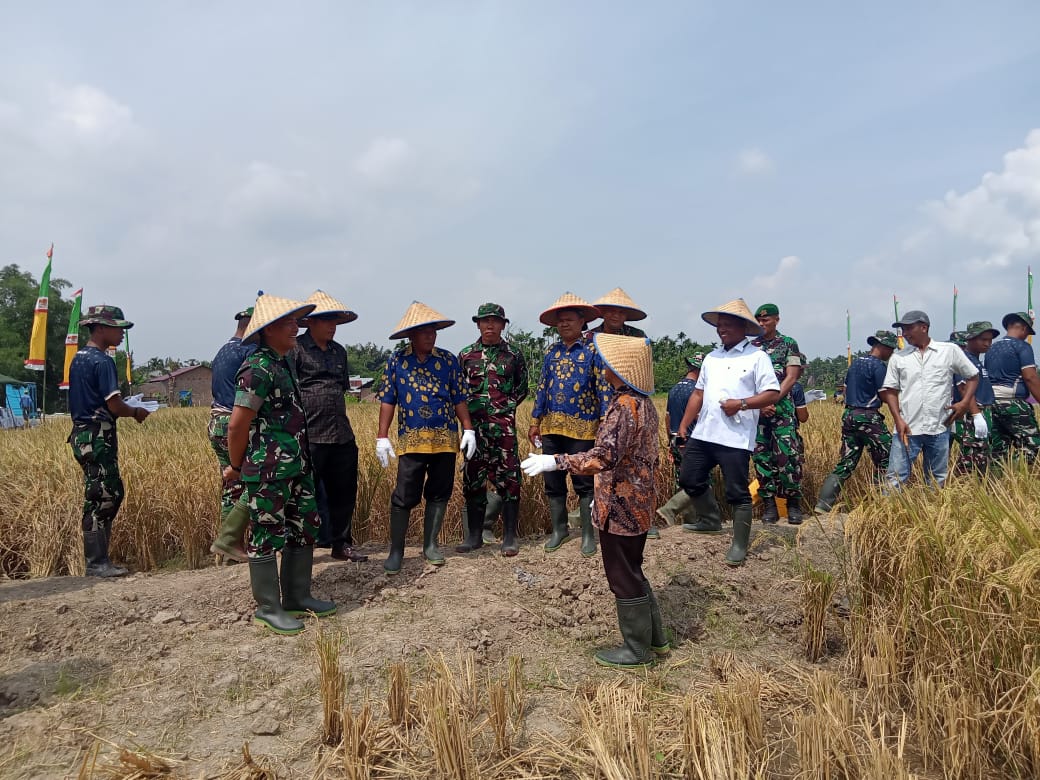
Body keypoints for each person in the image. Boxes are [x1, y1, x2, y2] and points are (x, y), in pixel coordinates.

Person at [522, 334, 664, 669]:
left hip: (621, 505)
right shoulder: (643, 402)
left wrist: (555, 461)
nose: (602, 367)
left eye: (608, 363)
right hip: (636, 500)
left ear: (620, 369)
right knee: (633, 569)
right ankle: (656, 640)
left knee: (621, 575)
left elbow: (603, 457)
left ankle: (637, 650)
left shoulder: (623, 407)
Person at [226, 293, 335, 635]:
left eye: (295, 322)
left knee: (304, 526)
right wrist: (237, 465)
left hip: (296, 466)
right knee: (267, 533)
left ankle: (297, 596)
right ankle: (269, 607)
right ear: (268, 328)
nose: (295, 328)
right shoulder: (257, 368)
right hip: (268, 470)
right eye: (288, 323)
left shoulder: (284, 362)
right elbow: (237, 425)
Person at [676, 299, 780, 565]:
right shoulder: (712, 357)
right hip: (704, 432)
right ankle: (710, 520)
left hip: (735, 437)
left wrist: (741, 404)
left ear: (743, 327)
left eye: (728, 325)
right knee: (689, 478)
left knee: (737, 492)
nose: (721, 329)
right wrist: (684, 426)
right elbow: (698, 394)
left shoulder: (757, 357)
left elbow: (772, 393)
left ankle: (739, 544)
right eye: (719, 325)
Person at [376, 301, 476, 574]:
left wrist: (468, 428)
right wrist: (381, 436)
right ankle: (396, 551)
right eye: (424, 331)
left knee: (440, 491)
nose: (430, 336)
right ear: (411, 335)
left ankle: (430, 545)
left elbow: (458, 397)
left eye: (433, 331)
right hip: (412, 440)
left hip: (444, 439)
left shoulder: (448, 360)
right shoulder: (397, 360)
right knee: (404, 494)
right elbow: (388, 399)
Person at [68, 305, 150, 577]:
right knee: (103, 495)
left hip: (83, 434)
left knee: (106, 492)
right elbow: (114, 404)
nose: (122, 334)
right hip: (98, 435)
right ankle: (96, 563)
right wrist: (136, 412)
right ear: (101, 328)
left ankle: (99, 560)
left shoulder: (78, 359)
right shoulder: (102, 362)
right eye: (118, 328)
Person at [529, 292, 609, 557]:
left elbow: (603, 388)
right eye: (560, 320)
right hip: (551, 426)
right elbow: (542, 387)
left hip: (583, 427)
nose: (564, 324)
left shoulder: (593, 350)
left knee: (584, 480)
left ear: (582, 321)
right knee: (553, 480)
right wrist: (535, 421)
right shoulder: (551, 352)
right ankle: (559, 530)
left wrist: (605, 421)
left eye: (569, 319)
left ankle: (587, 534)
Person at [292, 290, 367, 563]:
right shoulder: (296, 350)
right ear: (310, 322)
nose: (332, 326)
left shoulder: (339, 352)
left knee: (344, 492)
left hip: (340, 433)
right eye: (326, 320)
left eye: (335, 320)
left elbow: (341, 389)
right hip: (309, 434)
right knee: (303, 494)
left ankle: (341, 544)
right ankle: (300, 548)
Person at [456, 303, 529, 557]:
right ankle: (474, 536)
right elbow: (459, 392)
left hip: (504, 430)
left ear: (502, 325)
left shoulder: (513, 355)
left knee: (510, 480)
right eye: (485, 321)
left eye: (495, 321)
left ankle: (509, 537)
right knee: (473, 480)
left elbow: (522, 388)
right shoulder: (466, 355)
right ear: (478, 324)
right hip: (473, 432)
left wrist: (505, 409)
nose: (490, 325)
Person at [879, 310, 978, 489]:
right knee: (896, 477)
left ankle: (934, 507)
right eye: (903, 329)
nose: (905, 334)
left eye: (909, 328)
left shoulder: (949, 351)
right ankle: (888, 508)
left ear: (924, 327)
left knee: (937, 478)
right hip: (907, 428)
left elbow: (972, 376)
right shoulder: (898, 358)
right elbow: (891, 391)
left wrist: (964, 403)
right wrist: (898, 419)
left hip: (939, 427)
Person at [815, 330, 896, 513]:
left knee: (846, 462)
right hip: (868, 418)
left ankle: (823, 504)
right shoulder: (878, 366)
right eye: (891, 349)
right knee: (888, 458)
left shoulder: (855, 364)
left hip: (849, 416)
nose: (891, 353)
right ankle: (880, 504)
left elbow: (845, 390)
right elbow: (884, 394)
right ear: (882, 347)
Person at [750, 303, 806, 524]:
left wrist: (772, 399)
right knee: (762, 458)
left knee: (788, 457)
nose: (762, 323)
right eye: (759, 320)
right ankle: (769, 505)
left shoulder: (788, 344)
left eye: (766, 320)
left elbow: (791, 377)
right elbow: (746, 380)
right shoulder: (751, 347)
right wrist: (760, 404)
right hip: (758, 413)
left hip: (782, 412)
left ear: (776, 320)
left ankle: (793, 504)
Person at [208, 306, 256, 562]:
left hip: (217, 423)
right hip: (235, 424)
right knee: (256, 480)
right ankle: (231, 541)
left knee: (232, 485)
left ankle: (230, 550)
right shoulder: (249, 350)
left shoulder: (223, 350)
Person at [656, 354, 703, 529]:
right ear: (699, 369)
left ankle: (689, 520)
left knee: (683, 481)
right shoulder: (697, 391)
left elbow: (667, 418)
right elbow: (699, 417)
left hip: (676, 440)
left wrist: (670, 441)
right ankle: (682, 515)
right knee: (699, 480)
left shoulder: (674, 389)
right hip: (692, 441)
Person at [985, 312, 1040, 463]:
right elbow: (1030, 377)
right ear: (1024, 328)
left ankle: (996, 476)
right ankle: (1017, 471)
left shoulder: (991, 349)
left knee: (998, 449)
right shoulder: (1022, 347)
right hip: (1013, 403)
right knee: (1031, 445)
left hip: (992, 403)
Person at [951, 321, 999, 475]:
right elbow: (964, 388)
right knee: (972, 455)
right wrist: (976, 414)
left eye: (990, 340)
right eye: (983, 339)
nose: (987, 343)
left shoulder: (976, 360)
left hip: (981, 410)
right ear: (970, 339)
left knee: (981, 454)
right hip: (971, 412)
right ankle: (961, 485)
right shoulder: (964, 359)